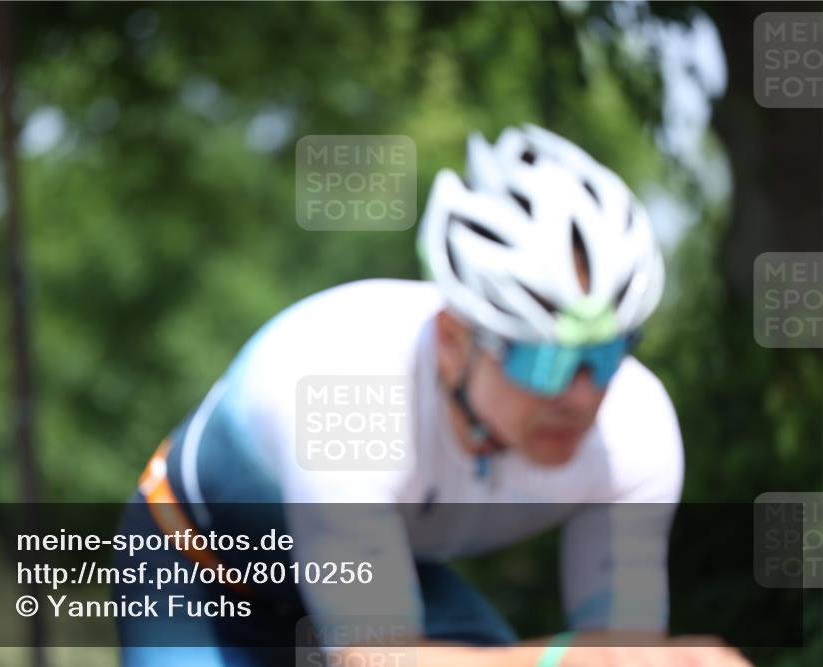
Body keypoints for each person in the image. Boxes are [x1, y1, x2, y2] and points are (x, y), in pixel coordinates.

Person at [115, 125, 753, 666]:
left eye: (610, 353)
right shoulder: (351, 383)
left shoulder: (635, 427)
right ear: (453, 339)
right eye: (544, 359)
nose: (582, 395)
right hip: (193, 569)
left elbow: (621, 653)